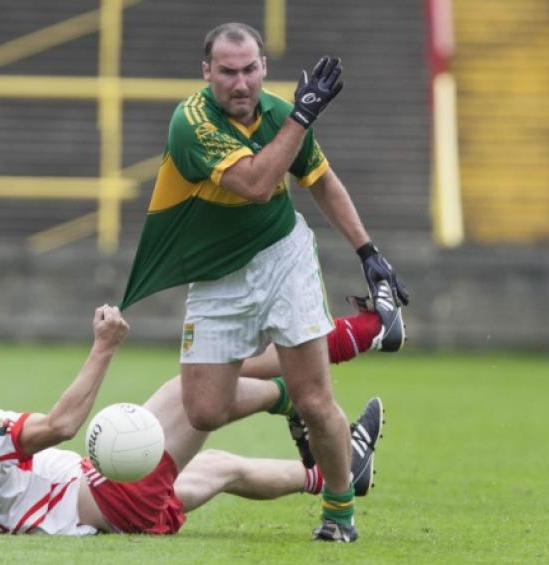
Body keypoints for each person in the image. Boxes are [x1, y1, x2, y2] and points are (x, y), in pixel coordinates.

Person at [118, 23, 408, 542]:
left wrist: (369, 253)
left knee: (318, 402)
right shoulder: (191, 122)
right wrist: (301, 115)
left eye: (250, 69)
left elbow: (319, 179)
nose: (240, 83)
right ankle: (316, 371)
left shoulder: (278, 113)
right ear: (207, 72)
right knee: (203, 410)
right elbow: (253, 183)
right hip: (216, 278)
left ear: (263, 68)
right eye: (227, 71)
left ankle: (339, 513)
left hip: (283, 258)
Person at [0, 305, 383, 536]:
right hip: (113, 493)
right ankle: (304, 388)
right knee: (194, 392)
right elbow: (63, 424)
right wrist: (104, 346)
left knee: (219, 465)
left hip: (108, 515)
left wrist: (7, 520)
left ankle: (334, 473)